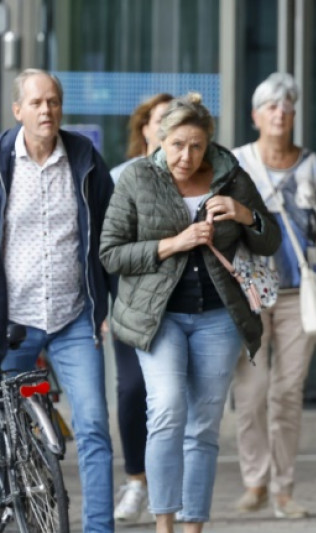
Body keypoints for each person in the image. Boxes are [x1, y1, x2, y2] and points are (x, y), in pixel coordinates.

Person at [99, 92, 281, 533]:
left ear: (208, 144)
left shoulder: (231, 175)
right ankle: (164, 524)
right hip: (158, 317)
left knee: (203, 425)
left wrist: (244, 214)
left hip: (218, 317)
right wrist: (172, 244)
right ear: (160, 140)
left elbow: (269, 240)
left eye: (196, 146)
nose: (186, 156)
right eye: (178, 144)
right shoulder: (138, 177)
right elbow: (111, 253)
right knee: (166, 410)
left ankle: (193, 526)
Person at [229, 72, 316, 519]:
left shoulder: (310, 165)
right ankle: (255, 480)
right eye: (271, 106)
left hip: (298, 294)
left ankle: (282, 489)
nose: (280, 113)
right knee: (251, 391)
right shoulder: (238, 163)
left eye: (287, 107)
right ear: (255, 116)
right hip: (251, 291)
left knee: (287, 392)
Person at [0, 68, 115, 532]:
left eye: (53, 101)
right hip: (14, 322)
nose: (46, 110)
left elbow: (110, 234)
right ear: (18, 110)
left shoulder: (84, 157)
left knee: (93, 426)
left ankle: (99, 528)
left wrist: (106, 305)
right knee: (6, 433)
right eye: (36, 102)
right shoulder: (2, 161)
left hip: (74, 319)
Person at [109, 91, 173, 524]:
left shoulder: (193, 178)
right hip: (130, 306)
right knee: (133, 390)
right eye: (160, 119)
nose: (167, 127)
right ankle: (136, 480)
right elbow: (106, 249)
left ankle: (166, 489)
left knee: (170, 399)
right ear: (145, 129)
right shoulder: (119, 177)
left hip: (179, 307)